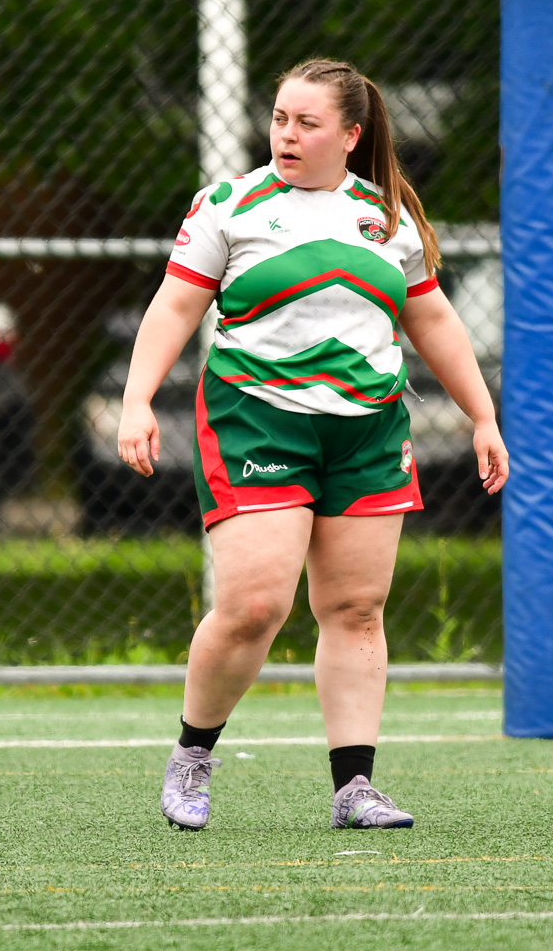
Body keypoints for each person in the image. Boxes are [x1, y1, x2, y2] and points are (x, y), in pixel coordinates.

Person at [117, 58, 509, 831]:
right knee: (256, 604)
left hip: (367, 429)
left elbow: (430, 321)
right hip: (258, 418)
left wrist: (482, 416)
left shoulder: (386, 214)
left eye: (308, 123)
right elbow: (172, 310)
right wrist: (135, 400)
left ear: (351, 134)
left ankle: (354, 787)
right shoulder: (230, 204)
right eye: (279, 120)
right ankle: (193, 755)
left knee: (356, 608)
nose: (287, 135)